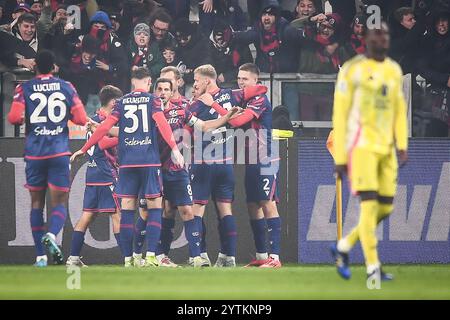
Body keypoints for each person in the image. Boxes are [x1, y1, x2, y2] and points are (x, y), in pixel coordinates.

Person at [71, 67, 184, 268]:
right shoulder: (152, 100)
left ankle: (128, 259)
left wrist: (83, 148)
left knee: (127, 209)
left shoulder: (122, 102)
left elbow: (105, 128)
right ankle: (150, 256)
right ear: (149, 82)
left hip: (127, 163)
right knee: (155, 207)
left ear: (133, 83)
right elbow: (163, 123)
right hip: (149, 161)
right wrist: (175, 148)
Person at [330, 22, 408, 282]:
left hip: (386, 149)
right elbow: (340, 115)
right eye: (377, 34)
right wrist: (341, 157)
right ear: (366, 39)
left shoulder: (394, 70)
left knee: (385, 208)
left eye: (386, 34)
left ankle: (343, 247)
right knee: (369, 205)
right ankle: (373, 267)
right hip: (361, 147)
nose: (382, 38)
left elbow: (398, 109)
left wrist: (402, 144)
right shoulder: (352, 70)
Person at [133, 78, 239, 267]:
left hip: (177, 169)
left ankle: (196, 257)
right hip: (153, 170)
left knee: (187, 211)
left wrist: (227, 116)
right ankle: (139, 256)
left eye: (167, 89)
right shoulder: (146, 111)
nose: (163, 92)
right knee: (150, 212)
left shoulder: (180, 111)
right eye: (159, 89)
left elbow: (205, 126)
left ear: (172, 92)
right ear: (154, 91)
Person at [7, 50, 88, 267]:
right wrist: (66, 115)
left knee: (36, 203)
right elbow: (80, 119)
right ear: (53, 67)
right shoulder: (66, 87)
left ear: (35, 67)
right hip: (59, 152)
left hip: (34, 153)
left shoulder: (24, 88)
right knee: (59, 201)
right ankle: (52, 235)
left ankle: (40, 256)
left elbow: (14, 118)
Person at [198, 63, 282, 268]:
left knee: (267, 204)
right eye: (239, 78)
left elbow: (236, 122)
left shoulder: (260, 99)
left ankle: (275, 258)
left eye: (245, 79)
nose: (240, 82)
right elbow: (225, 93)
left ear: (255, 80)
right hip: (251, 159)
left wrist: (213, 105)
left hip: (265, 158)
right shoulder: (244, 96)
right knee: (253, 206)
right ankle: (262, 257)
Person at [66, 85, 124, 267]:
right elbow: (104, 143)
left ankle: (73, 258)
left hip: (92, 174)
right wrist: (127, 135)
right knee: (117, 215)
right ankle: (129, 259)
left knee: (87, 216)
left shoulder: (97, 120)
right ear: (114, 103)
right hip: (105, 174)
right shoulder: (100, 122)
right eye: (119, 103)